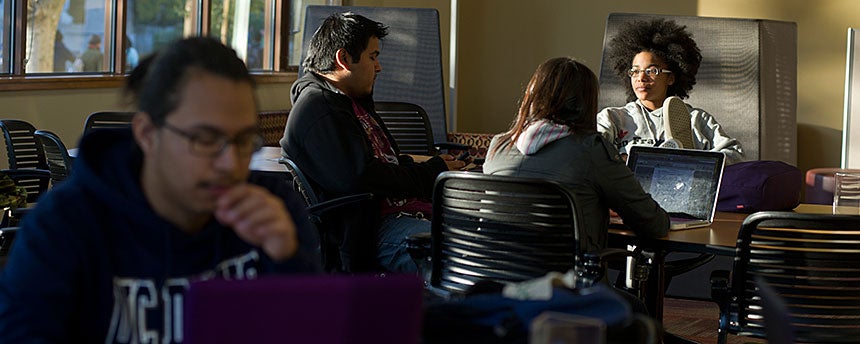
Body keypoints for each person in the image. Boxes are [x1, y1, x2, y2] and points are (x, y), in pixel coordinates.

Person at [0, 37, 321, 342]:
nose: (231, 165)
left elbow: (316, 331)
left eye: (242, 141)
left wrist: (288, 261)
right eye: (205, 139)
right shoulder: (64, 225)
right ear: (147, 134)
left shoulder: (272, 209)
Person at [281, 12, 464, 273]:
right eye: (372, 56)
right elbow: (362, 176)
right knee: (471, 249)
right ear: (343, 59)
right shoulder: (319, 109)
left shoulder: (349, 101)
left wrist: (433, 166)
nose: (379, 67)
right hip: (373, 231)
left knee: (496, 234)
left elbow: (381, 163)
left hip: (402, 215)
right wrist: (431, 172)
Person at [483, 57, 669, 252]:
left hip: (491, 275)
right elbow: (654, 225)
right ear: (586, 103)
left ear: (533, 94)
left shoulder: (499, 145)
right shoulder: (591, 149)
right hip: (563, 279)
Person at [596, 18, 744, 164]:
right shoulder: (612, 118)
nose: (641, 78)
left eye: (651, 70)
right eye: (635, 71)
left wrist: (696, 163)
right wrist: (625, 160)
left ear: (671, 78)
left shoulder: (696, 119)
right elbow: (589, 150)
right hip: (628, 186)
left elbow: (734, 154)